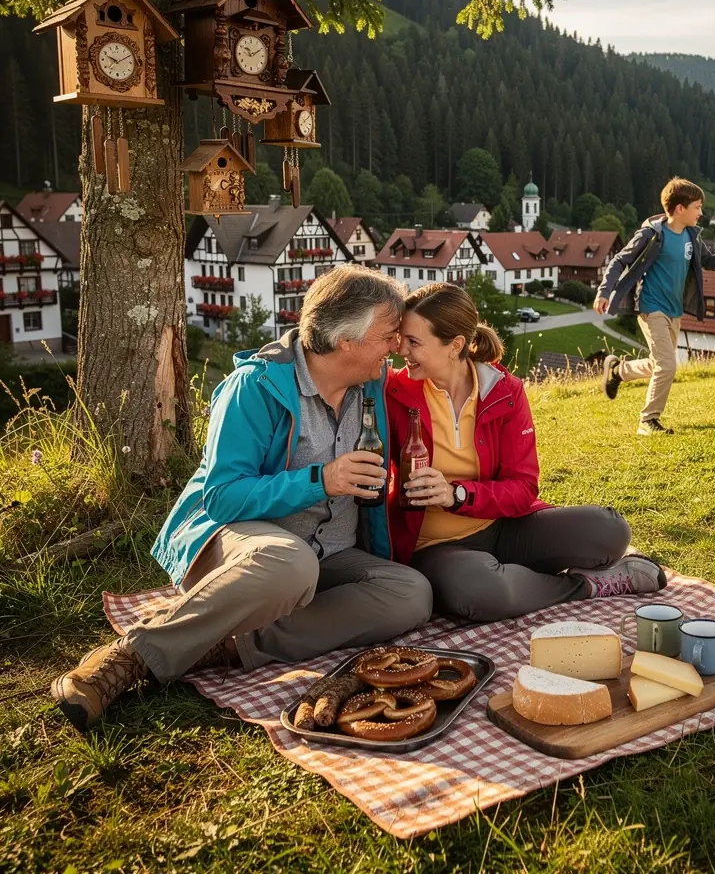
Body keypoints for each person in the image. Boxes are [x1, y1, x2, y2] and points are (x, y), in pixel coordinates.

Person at [52, 266, 434, 732]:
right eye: (388, 335)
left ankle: (227, 644)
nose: (396, 346)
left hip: (331, 551)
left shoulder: (371, 385)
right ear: (344, 340)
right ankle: (132, 656)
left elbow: (450, 367)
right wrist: (321, 480)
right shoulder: (255, 388)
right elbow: (222, 497)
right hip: (246, 542)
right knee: (291, 564)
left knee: (411, 594)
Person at [385, 282, 666, 622]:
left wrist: (455, 493)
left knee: (610, 531)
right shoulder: (395, 393)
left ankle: (519, 578)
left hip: (503, 528)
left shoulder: (505, 392)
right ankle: (584, 586)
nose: (401, 349)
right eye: (402, 338)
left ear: (454, 345)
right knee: (486, 591)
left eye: (413, 342)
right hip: (436, 547)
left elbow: (522, 488)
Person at [595, 177, 715, 434]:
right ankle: (648, 421)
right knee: (668, 365)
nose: (701, 213)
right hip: (651, 307)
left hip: (674, 310)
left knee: (657, 363)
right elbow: (619, 261)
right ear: (680, 209)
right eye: (697, 207)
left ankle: (617, 370)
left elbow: (710, 261)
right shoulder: (652, 235)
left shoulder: (692, 237)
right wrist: (604, 291)